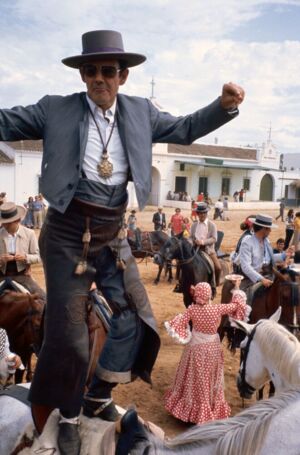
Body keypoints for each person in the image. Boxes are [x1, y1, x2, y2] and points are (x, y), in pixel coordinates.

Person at [0, 29, 244, 454]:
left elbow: (185, 128)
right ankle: (71, 414)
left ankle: (98, 396)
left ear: (123, 76)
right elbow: (5, 120)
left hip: (112, 232)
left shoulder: (141, 112)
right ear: (82, 75)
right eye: (90, 70)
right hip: (64, 235)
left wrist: (223, 107)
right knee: (72, 336)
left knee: (137, 319)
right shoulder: (54, 109)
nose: (99, 78)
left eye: (107, 71)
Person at [164, 281, 248, 425]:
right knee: (209, 378)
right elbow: (237, 305)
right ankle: (206, 410)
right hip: (212, 350)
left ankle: (190, 411)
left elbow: (179, 323)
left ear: (197, 295)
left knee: (193, 378)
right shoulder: (217, 309)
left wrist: (186, 333)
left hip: (195, 348)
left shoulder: (192, 309)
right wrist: (237, 288)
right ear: (209, 295)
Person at [238, 214, 293, 301]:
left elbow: (268, 258)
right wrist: (261, 279)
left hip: (268, 274)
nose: (270, 231)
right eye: (269, 228)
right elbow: (246, 266)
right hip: (251, 278)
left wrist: (284, 254)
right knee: (246, 299)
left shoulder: (266, 240)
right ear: (263, 229)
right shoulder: (247, 243)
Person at [0, 202, 45, 297]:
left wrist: (25, 257)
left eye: (8, 223)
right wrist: (1, 260)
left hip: (22, 275)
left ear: (17, 220)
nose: (4, 225)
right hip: (1, 275)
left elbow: (38, 257)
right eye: (4, 222)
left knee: (42, 298)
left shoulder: (30, 234)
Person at [190, 203, 221, 287]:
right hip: (195, 249)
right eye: (200, 213)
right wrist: (193, 241)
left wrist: (203, 242)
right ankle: (182, 284)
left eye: (204, 213)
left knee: (218, 267)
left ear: (206, 213)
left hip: (208, 250)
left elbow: (214, 239)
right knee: (184, 263)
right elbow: (190, 237)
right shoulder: (194, 225)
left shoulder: (212, 225)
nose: (202, 215)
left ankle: (215, 284)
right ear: (198, 214)